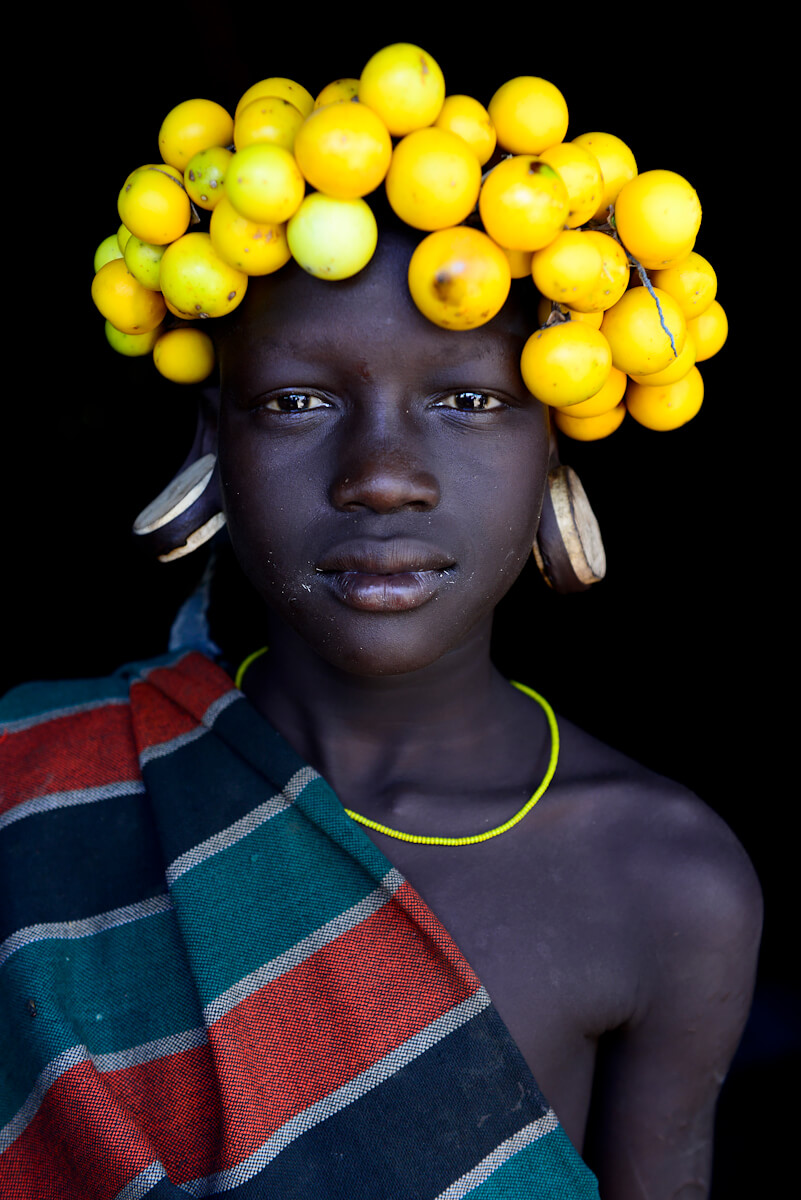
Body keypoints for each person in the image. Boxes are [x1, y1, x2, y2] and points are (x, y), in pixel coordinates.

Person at [1, 58, 761, 1199]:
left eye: (468, 401)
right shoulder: (39, 794)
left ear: (553, 443)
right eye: (299, 403)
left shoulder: (668, 883)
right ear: (216, 441)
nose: (384, 477)